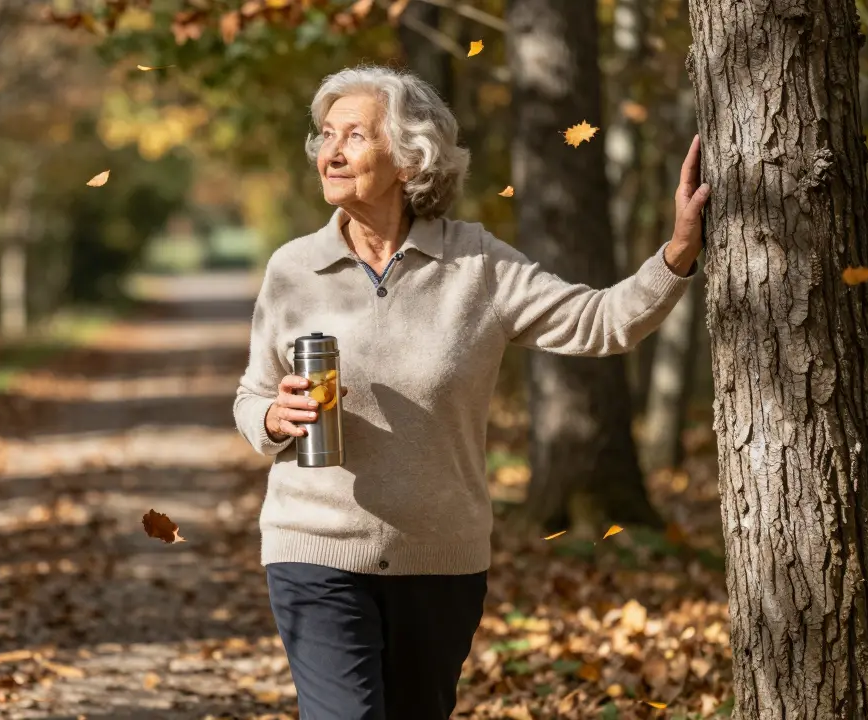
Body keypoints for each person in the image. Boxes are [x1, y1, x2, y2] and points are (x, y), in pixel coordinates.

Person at [231, 65, 708, 719]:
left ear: (409, 158)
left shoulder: (477, 265)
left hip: (440, 559)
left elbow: (604, 322)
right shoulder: (293, 268)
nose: (330, 152)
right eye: (324, 135)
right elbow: (252, 394)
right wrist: (273, 416)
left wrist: (678, 252)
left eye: (353, 136)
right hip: (313, 549)